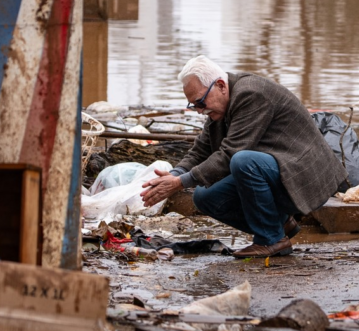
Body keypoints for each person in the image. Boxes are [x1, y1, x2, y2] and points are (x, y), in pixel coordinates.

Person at [141, 56, 348, 257]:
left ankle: (271, 240)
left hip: (305, 175)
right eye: (194, 106)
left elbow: (231, 153)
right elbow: (200, 151)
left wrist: (179, 183)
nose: (199, 111)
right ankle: (280, 224)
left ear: (221, 85)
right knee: (204, 197)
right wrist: (173, 175)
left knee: (242, 161)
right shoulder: (218, 107)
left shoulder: (251, 94)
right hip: (281, 168)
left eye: (200, 103)